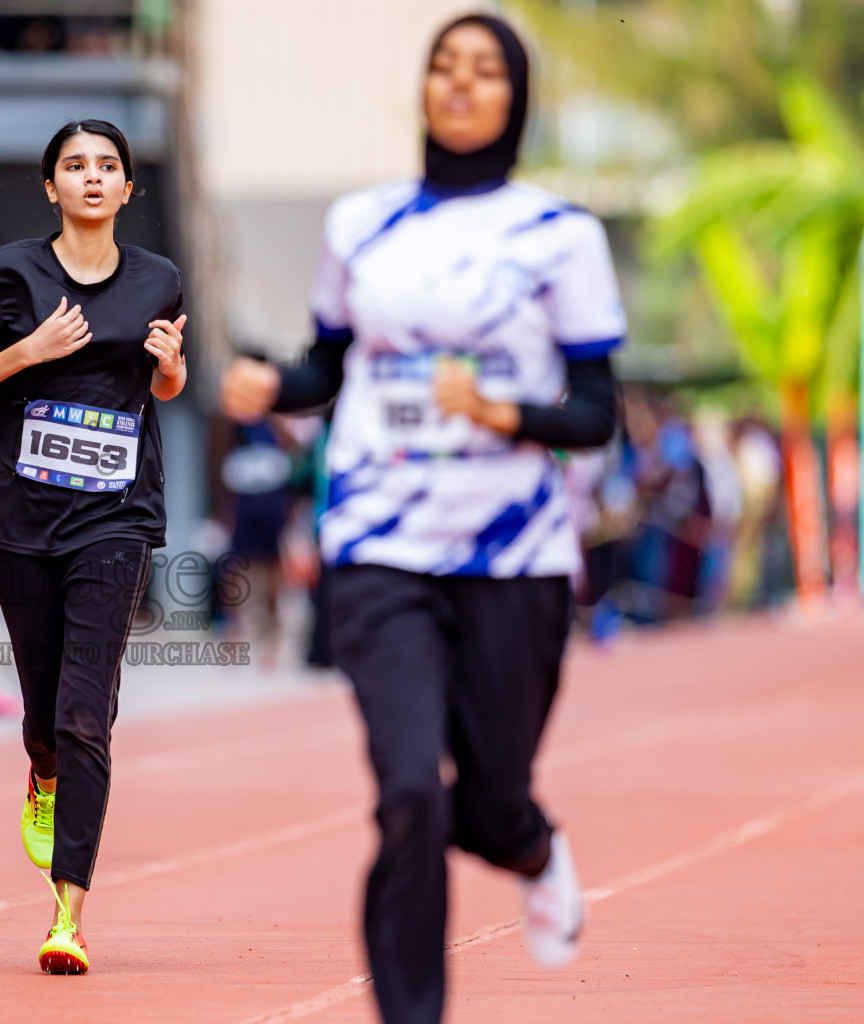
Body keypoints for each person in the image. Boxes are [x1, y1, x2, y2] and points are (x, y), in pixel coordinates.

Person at [221, 16, 619, 1024]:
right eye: (445, 66)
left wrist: (500, 411)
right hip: (377, 542)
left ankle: (531, 843)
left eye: (486, 71)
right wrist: (272, 382)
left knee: (485, 803)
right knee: (410, 793)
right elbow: (328, 362)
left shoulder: (561, 237)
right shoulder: (361, 223)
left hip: (513, 551)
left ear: (514, 98)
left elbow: (594, 409)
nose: (460, 85)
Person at [0, 118, 186, 974]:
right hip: (23, 516)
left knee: (86, 707)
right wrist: (26, 351)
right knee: (46, 716)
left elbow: (165, 386)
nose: (94, 178)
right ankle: (41, 770)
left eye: (109, 166)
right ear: (51, 188)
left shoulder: (158, 278)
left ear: (129, 187)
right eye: (76, 166)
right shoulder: (7, 273)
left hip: (115, 516)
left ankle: (67, 914)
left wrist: (172, 367)